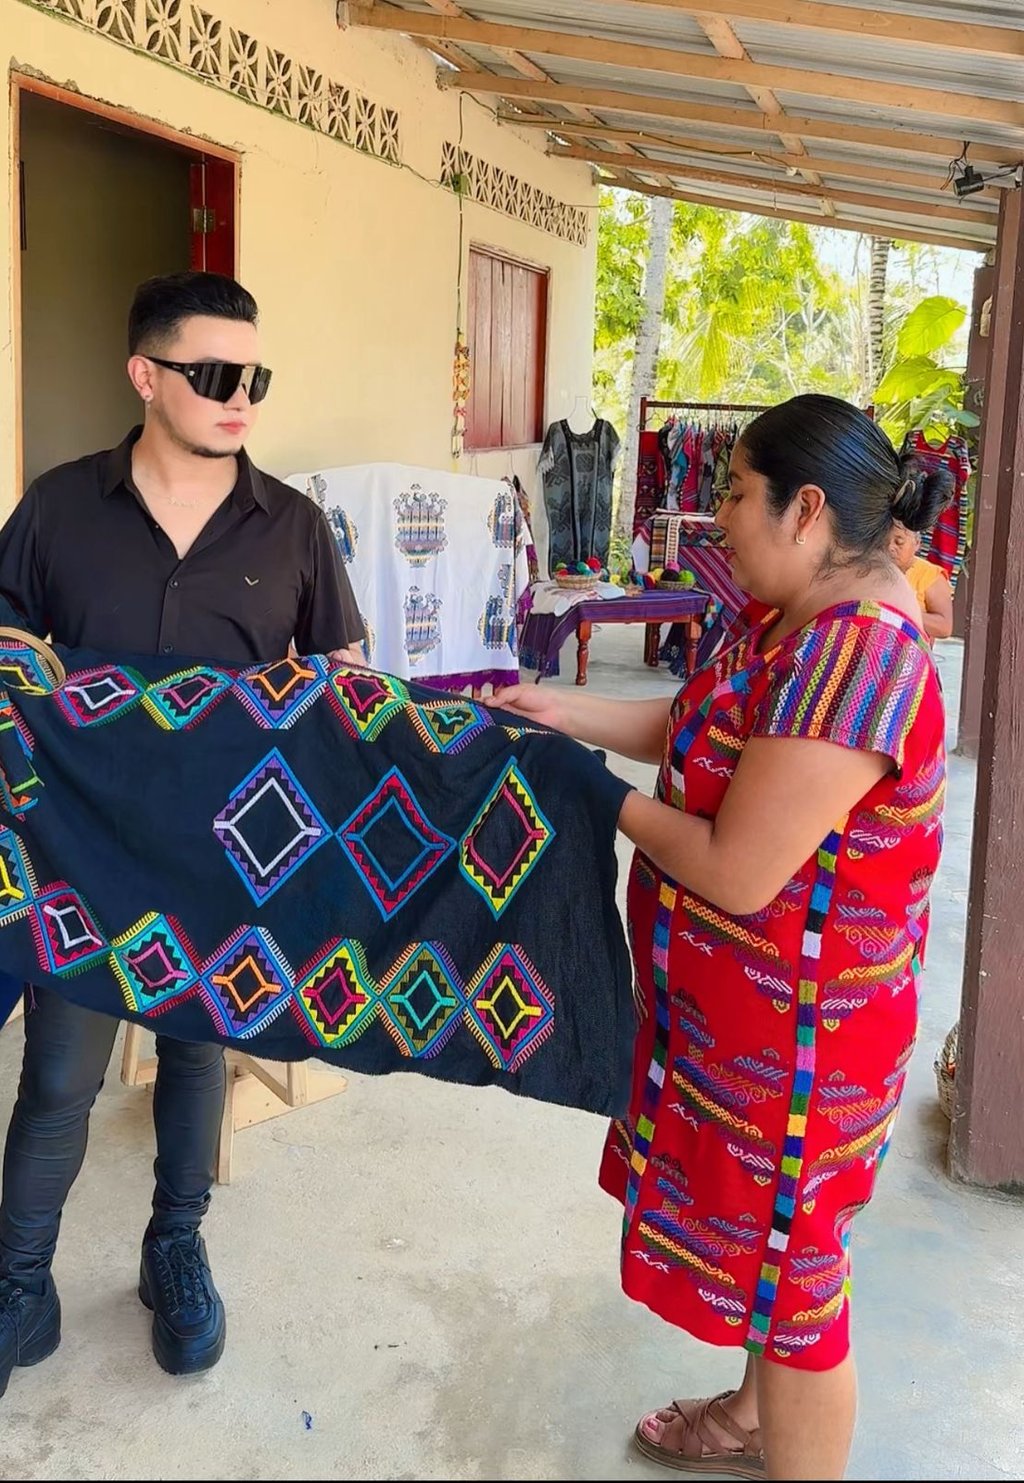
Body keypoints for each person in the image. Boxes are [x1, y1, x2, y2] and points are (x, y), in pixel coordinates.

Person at [488, 395, 948, 1481]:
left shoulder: (860, 663)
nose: (716, 516)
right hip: (732, 1026)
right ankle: (749, 1420)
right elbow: (692, 723)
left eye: (736, 494)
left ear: (805, 509)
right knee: (770, 1264)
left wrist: (592, 792)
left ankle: (788, 1444)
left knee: (799, 1292)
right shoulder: (782, 613)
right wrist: (560, 713)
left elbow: (739, 871)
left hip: (804, 1050)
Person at [0, 271, 364, 1397]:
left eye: (254, 376)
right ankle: (20, 1285)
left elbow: (344, 684)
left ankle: (175, 1246)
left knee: (199, 1049)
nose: (239, 396)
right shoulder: (58, 508)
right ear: (145, 377)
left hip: (224, 857)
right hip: (80, 856)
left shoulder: (292, 527)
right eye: (212, 374)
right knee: (59, 1075)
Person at [889, 519, 954, 643]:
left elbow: (944, 627)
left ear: (917, 543)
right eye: (884, 542)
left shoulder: (930, 575)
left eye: (899, 542)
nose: (890, 547)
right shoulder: (872, 569)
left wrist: (899, 612)